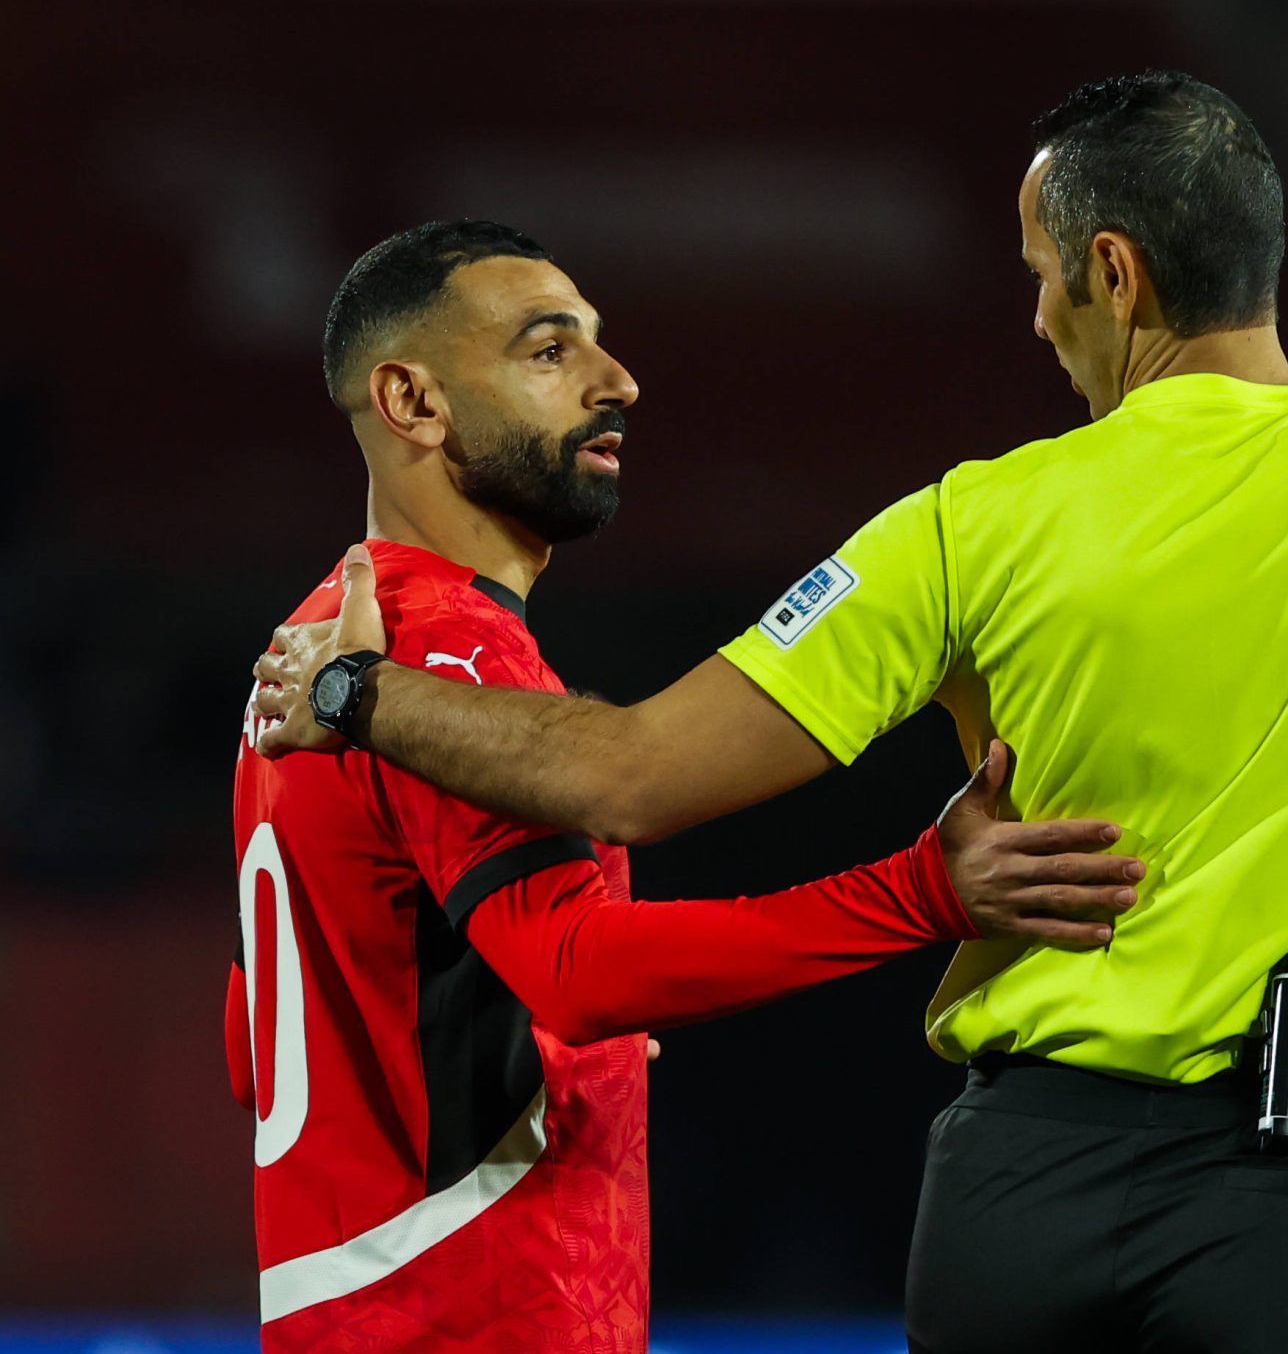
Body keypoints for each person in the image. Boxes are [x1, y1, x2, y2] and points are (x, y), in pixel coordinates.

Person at [252, 75, 1288, 1351]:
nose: (1034, 316)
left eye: (1040, 274)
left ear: (1114, 274)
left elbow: (625, 773)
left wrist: (346, 690)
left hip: (1020, 1195)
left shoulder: (967, 523)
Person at [230, 220, 1140, 1351]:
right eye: (549, 351)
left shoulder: (314, 648)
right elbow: (582, 972)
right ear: (412, 401)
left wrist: (517, 1046)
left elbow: (254, 1036)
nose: (617, 381)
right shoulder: (440, 655)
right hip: (471, 1316)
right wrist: (921, 892)